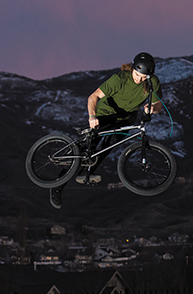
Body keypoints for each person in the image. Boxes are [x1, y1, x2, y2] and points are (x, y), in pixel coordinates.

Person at [50, 52, 162, 209]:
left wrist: (152, 108)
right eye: (137, 74)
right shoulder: (119, 79)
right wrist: (92, 117)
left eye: (144, 77)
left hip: (126, 119)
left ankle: (87, 172)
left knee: (107, 147)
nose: (139, 79)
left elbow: (158, 105)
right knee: (87, 147)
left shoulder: (152, 83)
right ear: (132, 69)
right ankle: (58, 185)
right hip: (104, 115)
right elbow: (92, 97)